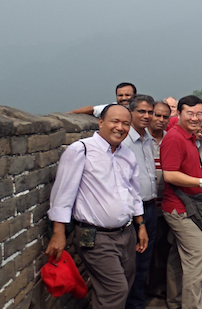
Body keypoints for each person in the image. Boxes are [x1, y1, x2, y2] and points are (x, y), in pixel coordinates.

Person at [46, 104, 148, 309]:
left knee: (125, 282)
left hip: (126, 233)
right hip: (95, 237)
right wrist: (58, 232)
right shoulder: (81, 150)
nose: (120, 127)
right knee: (115, 289)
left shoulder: (127, 155)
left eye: (126, 124)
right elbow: (62, 194)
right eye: (115, 122)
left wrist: (141, 224)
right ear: (101, 122)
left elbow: (134, 193)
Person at [160, 95, 202, 309]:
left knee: (178, 256)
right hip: (179, 208)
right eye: (190, 114)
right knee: (197, 258)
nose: (195, 118)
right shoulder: (175, 138)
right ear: (179, 114)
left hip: (187, 205)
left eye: (199, 114)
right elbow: (170, 175)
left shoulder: (188, 135)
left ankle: (175, 302)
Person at [122, 95, 158, 309]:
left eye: (149, 112)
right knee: (132, 262)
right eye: (141, 112)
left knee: (144, 261)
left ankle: (137, 302)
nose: (146, 116)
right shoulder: (124, 141)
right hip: (133, 211)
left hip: (150, 207)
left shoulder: (147, 140)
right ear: (131, 112)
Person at [147, 101, 171, 299]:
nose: (161, 120)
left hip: (166, 203)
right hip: (145, 205)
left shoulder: (169, 140)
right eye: (157, 115)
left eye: (165, 117)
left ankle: (159, 285)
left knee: (163, 245)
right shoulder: (141, 139)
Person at [68, 82, 136, 117]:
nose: (123, 98)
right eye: (120, 95)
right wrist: (68, 114)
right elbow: (92, 109)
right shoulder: (111, 108)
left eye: (127, 95)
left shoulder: (142, 109)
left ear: (134, 96)